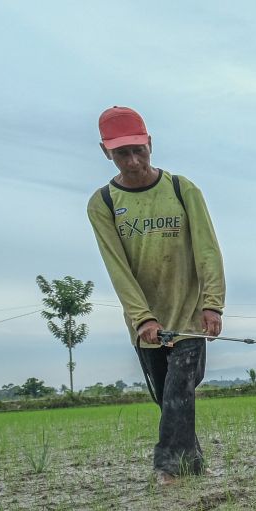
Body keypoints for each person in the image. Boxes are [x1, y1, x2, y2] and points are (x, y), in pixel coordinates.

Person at [87, 106, 226, 484]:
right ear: (106, 152)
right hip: (146, 320)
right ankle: (193, 464)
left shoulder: (182, 189)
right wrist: (142, 317)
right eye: (121, 153)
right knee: (166, 397)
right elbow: (117, 267)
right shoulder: (103, 203)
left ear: (150, 143)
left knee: (180, 388)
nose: (133, 161)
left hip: (190, 314)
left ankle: (169, 470)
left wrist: (212, 303)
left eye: (139, 150)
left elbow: (208, 250)